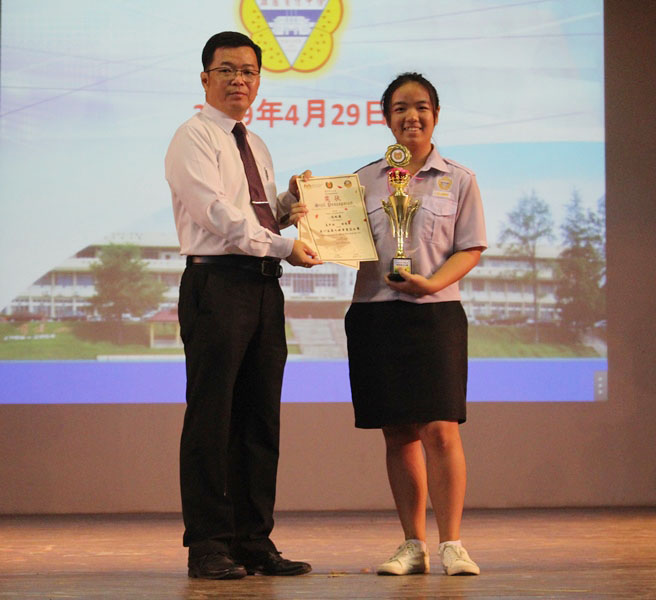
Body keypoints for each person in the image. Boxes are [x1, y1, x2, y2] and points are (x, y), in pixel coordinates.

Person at [165, 31, 320, 580]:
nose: (239, 80)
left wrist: (289, 204)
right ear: (205, 78)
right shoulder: (193, 137)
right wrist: (282, 244)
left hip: (262, 287)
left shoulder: (256, 144)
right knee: (212, 418)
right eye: (227, 70)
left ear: (258, 81)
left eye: (249, 72)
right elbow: (216, 215)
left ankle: (254, 541)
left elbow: (256, 214)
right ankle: (209, 544)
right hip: (216, 284)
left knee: (259, 418)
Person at [345, 73, 487, 576]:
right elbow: (339, 241)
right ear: (386, 117)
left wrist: (431, 284)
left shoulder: (460, 179)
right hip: (374, 313)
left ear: (436, 115)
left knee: (440, 430)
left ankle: (452, 543)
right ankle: (412, 544)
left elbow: (470, 247)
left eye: (422, 107)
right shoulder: (361, 181)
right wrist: (309, 213)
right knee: (398, 433)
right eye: (401, 108)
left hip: (436, 313)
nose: (412, 116)